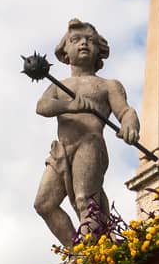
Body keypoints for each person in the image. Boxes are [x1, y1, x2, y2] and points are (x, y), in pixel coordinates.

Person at [33, 18, 140, 248]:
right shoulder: (59, 85)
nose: (83, 44)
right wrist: (71, 106)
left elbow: (126, 111)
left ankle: (93, 257)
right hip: (61, 150)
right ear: (65, 52)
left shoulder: (107, 85)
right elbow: (42, 106)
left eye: (90, 40)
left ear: (98, 50)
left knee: (85, 201)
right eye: (76, 40)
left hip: (89, 145)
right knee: (44, 204)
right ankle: (78, 252)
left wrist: (130, 126)